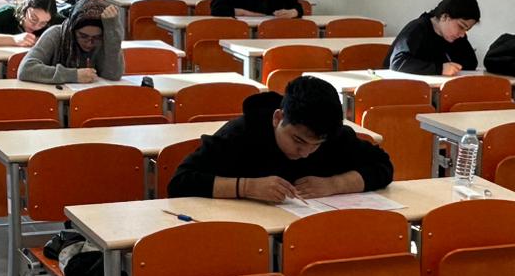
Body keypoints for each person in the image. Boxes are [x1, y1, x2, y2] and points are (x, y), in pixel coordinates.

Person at [167, 75, 394, 201]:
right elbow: (180, 182)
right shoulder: (241, 134)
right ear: (278, 118)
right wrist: (246, 187)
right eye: (298, 141)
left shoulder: (332, 135)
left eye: (316, 145)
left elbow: (383, 166)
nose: (305, 153)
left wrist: (335, 184)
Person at [18, 0, 121, 84]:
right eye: (83, 36)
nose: (89, 43)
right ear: (73, 30)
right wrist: (73, 75)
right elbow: (26, 69)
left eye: (96, 37)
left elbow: (113, 74)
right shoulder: (55, 34)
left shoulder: (106, 39)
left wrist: (112, 32)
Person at [388, 0, 481, 75]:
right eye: (461, 26)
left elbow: (471, 64)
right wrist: (439, 69)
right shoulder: (417, 28)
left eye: (466, 30)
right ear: (444, 17)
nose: (462, 34)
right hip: (400, 86)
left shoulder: (456, 37)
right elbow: (397, 62)